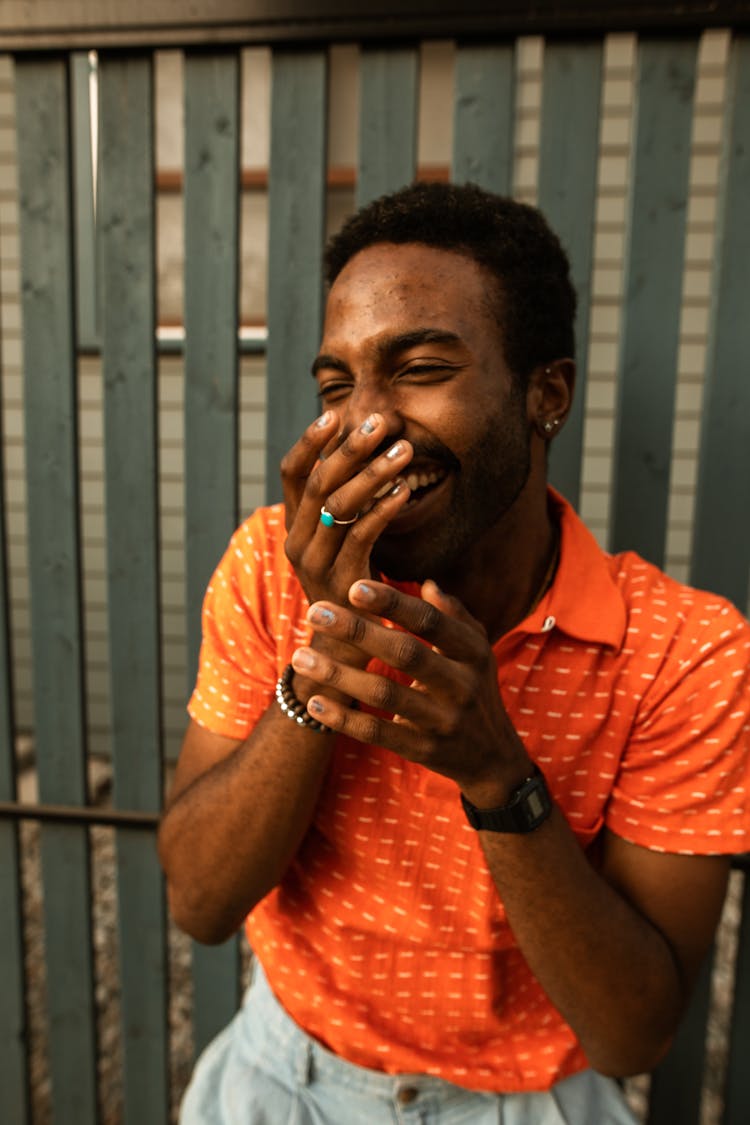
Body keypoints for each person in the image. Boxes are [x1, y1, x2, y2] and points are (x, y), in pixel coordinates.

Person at [158, 182, 750, 1125]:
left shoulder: (684, 652)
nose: (364, 424)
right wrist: (323, 655)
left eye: (421, 368)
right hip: (283, 1074)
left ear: (544, 395)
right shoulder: (272, 568)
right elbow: (199, 900)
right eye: (336, 384)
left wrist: (493, 767)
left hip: (528, 1101)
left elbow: (632, 1033)